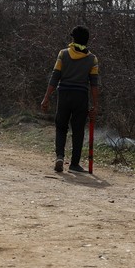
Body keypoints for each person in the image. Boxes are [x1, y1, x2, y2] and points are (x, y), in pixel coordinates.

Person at [41, 25, 99, 173]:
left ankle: (60, 156)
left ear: (73, 39)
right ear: (87, 41)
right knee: (78, 130)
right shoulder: (92, 59)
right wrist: (95, 105)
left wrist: (46, 98)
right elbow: (94, 85)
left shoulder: (63, 54)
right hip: (81, 97)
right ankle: (74, 164)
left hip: (64, 94)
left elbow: (55, 77)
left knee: (61, 127)